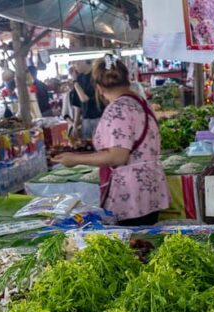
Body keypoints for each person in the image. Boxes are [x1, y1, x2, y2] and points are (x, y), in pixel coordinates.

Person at [52, 55, 170, 226]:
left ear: (98, 87)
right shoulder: (140, 102)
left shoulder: (117, 109)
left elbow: (117, 156)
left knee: (133, 245)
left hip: (131, 194)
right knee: (144, 240)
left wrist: (75, 159)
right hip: (148, 187)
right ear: (126, 80)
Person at [70, 60, 103, 140]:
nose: (75, 66)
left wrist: (74, 82)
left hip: (99, 117)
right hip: (86, 119)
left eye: (76, 63)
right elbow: (78, 105)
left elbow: (84, 99)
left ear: (84, 61)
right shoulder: (79, 78)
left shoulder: (95, 77)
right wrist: (75, 124)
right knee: (87, 147)